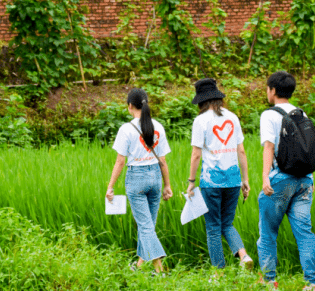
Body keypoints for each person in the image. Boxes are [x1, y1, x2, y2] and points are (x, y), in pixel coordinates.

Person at [257, 70, 315, 291]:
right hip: (304, 180)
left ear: (272, 91)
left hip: (280, 180)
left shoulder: (269, 115)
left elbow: (269, 147)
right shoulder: (300, 113)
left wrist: (265, 176)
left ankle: (269, 283)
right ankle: (312, 284)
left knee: (267, 232)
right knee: (305, 232)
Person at [186, 78, 254, 270]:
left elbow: (196, 154)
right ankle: (243, 255)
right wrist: (245, 179)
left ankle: (218, 273)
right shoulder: (233, 117)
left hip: (211, 182)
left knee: (213, 228)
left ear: (201, 101)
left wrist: (191, 181)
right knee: (227, 223)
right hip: (233, 180)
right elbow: (241, 151)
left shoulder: (200, 121)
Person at [107, 88, 173, 273]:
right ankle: (139, 266)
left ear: (130, 106)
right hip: (155, 178)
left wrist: (110, 187)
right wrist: (167, 185)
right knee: (148, 226)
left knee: (145, 227)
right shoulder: (158, 126)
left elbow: (120, 161)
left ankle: (159, 271)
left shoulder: (126, 129)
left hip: (136, 178)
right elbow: (163, 160)